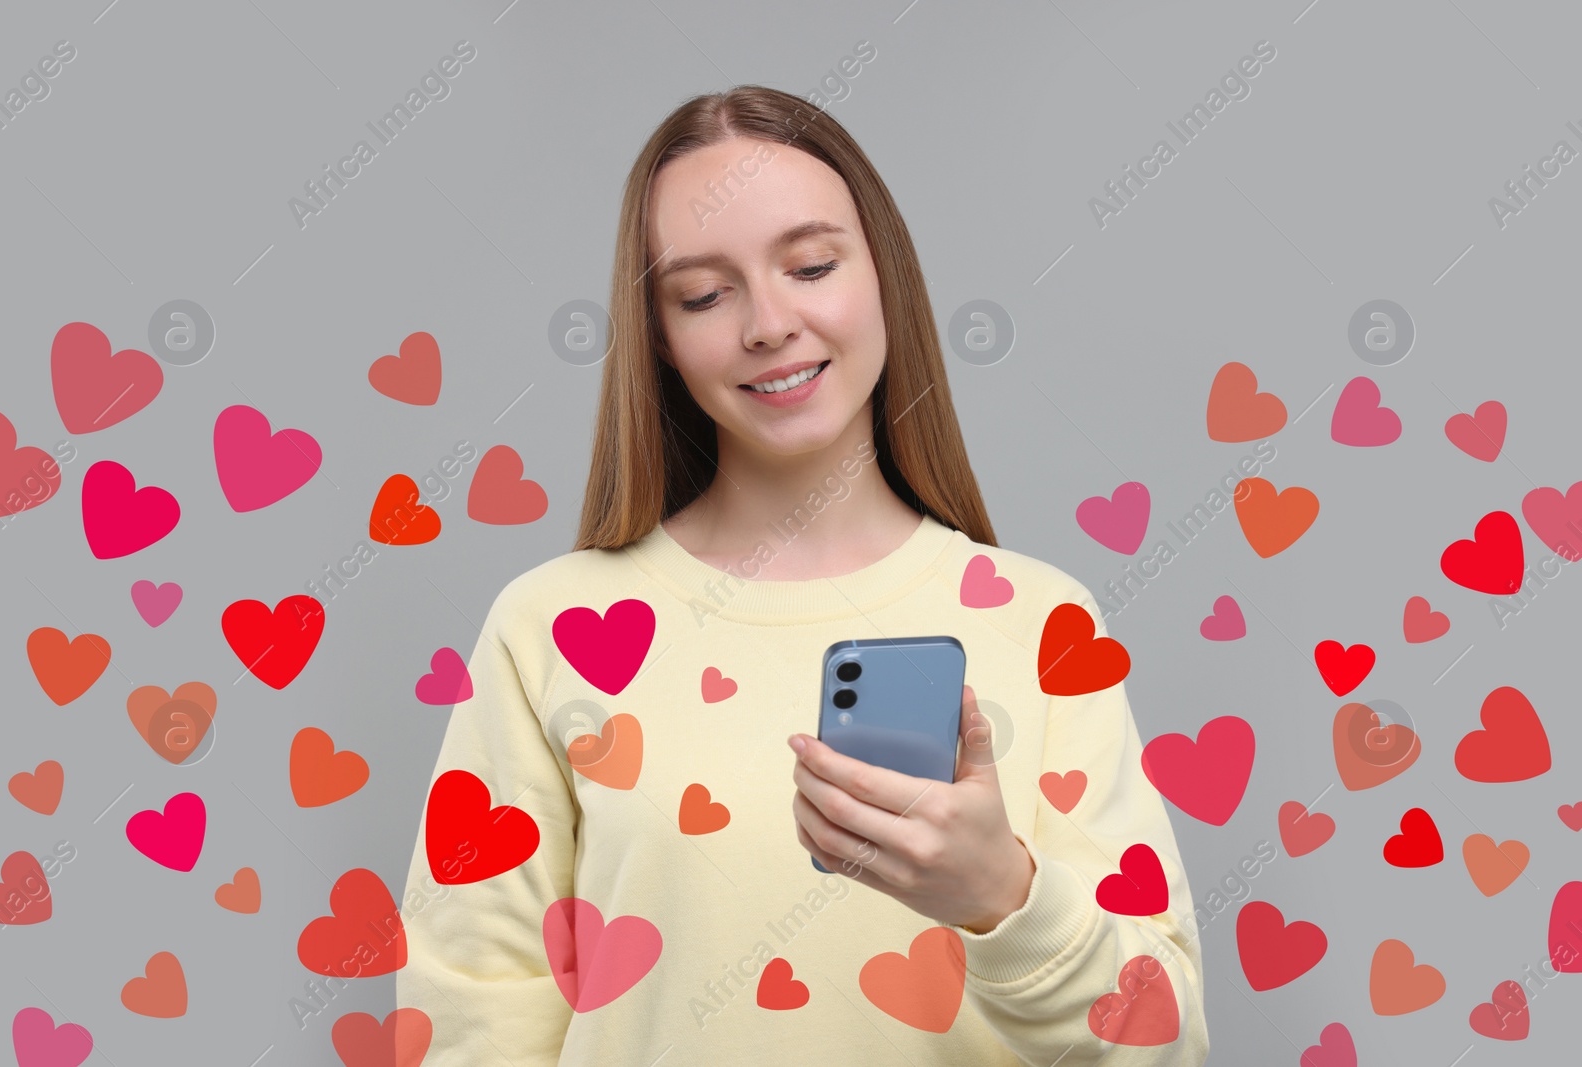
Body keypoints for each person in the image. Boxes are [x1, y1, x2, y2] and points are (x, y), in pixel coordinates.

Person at [396, 84, 1208, 1066]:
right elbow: (470, 1017)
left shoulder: (1046, 624)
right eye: (703, 293)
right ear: (659, 334)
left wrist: (1003, 896)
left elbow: (1164, 1041)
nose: (767, 323)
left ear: (884, 276)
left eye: (811, 265)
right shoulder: (548, 625)